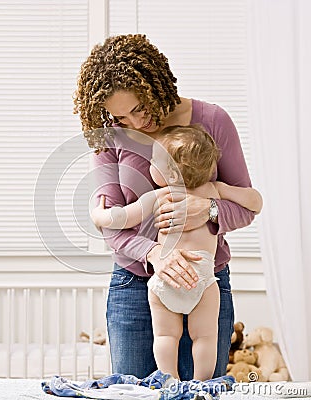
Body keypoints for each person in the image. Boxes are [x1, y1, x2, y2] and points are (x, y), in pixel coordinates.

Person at [73, 33, 256, 380]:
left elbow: (246, 203)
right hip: (134, 286)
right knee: (134, 391)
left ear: (156, 84)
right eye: (122, 117)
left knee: (204, 389)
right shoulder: (110, 135)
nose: (136, 124)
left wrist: (209, 210)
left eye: (139, 108)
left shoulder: (213, 121)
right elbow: (112, 223)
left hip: (205, 281)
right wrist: (156, 253)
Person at [90, 125, 262, 380]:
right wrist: (220, 201)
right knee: (205, 337)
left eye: (154, 161)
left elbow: (122, 218)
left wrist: (97, 214)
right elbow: (254, 201)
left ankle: (168, 379)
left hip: (165, 279)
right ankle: (202, 384)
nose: (149, 163)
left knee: (165, 336)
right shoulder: (214, 190)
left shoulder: (158, 197)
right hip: (202, 279)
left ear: (169, 172)